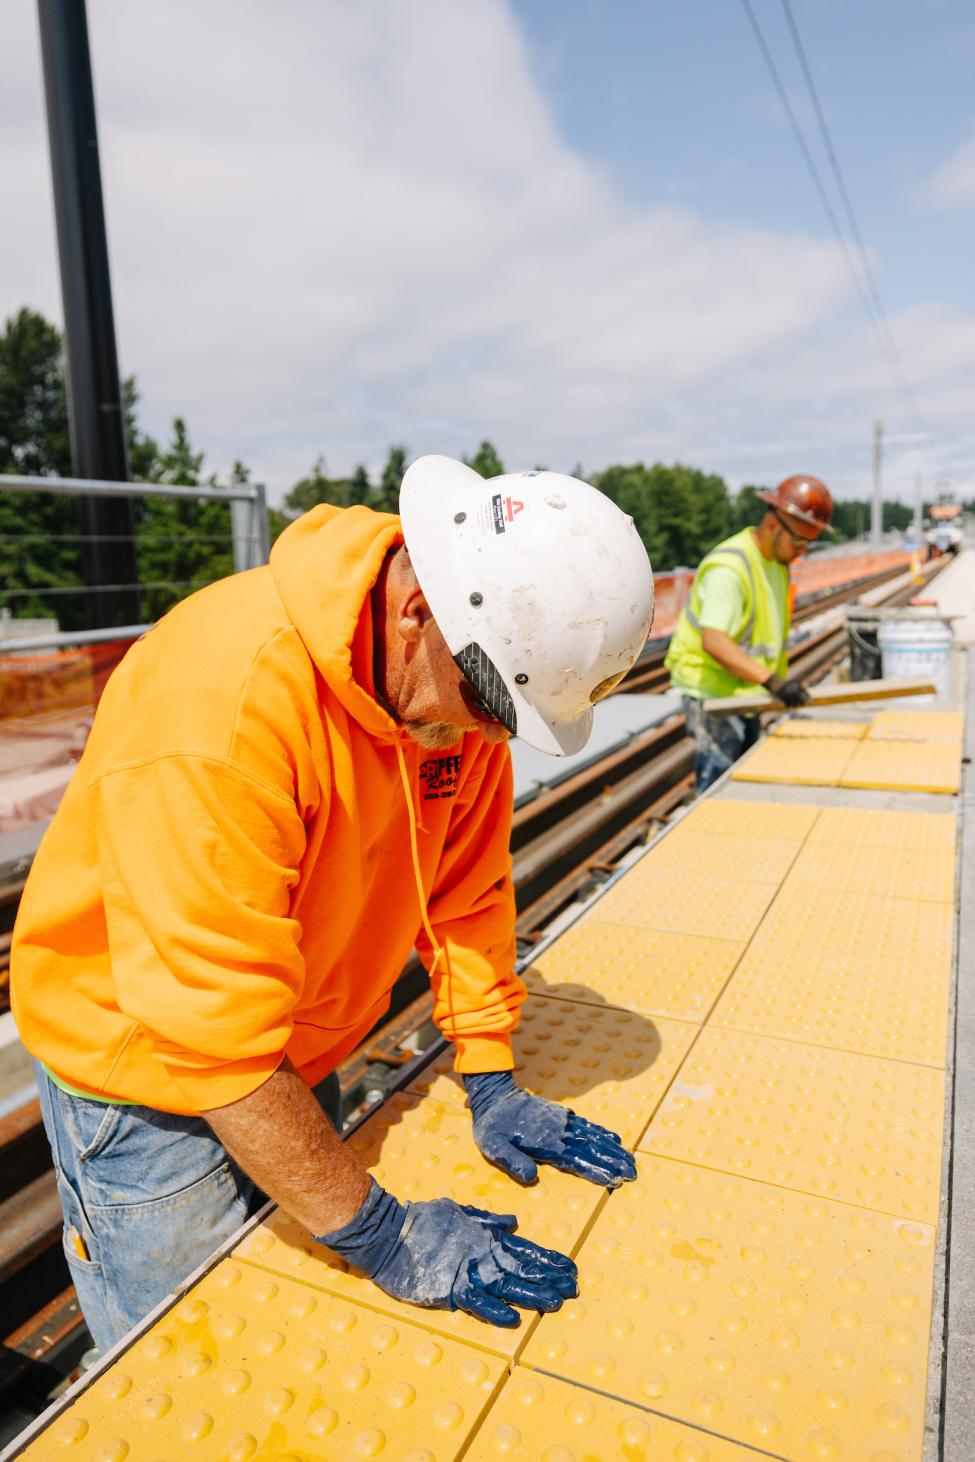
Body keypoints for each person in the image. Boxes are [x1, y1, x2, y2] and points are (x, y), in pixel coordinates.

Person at [11, 456, 654, 1352]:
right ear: (417, 608)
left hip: (289, 1040)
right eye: (487, 701)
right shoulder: (223, 709)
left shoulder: (451, 694)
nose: (486, 734)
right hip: (145, 1081)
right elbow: (213, 1038)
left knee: (295, 1324)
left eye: (509, 718)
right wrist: (382, 1233)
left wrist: (490, 1069)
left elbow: (467, 893)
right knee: (191, 1357)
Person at [665, 475, 834, 790]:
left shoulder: (776, 563)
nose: (802, 553)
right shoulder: (730, 568)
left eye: (808, 545)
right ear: (773, 526)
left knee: (742, 780)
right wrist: (773, 682)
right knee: (718, 783)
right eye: (799, 543)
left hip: (746, 691)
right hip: (714, 695)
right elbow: (714, 640)